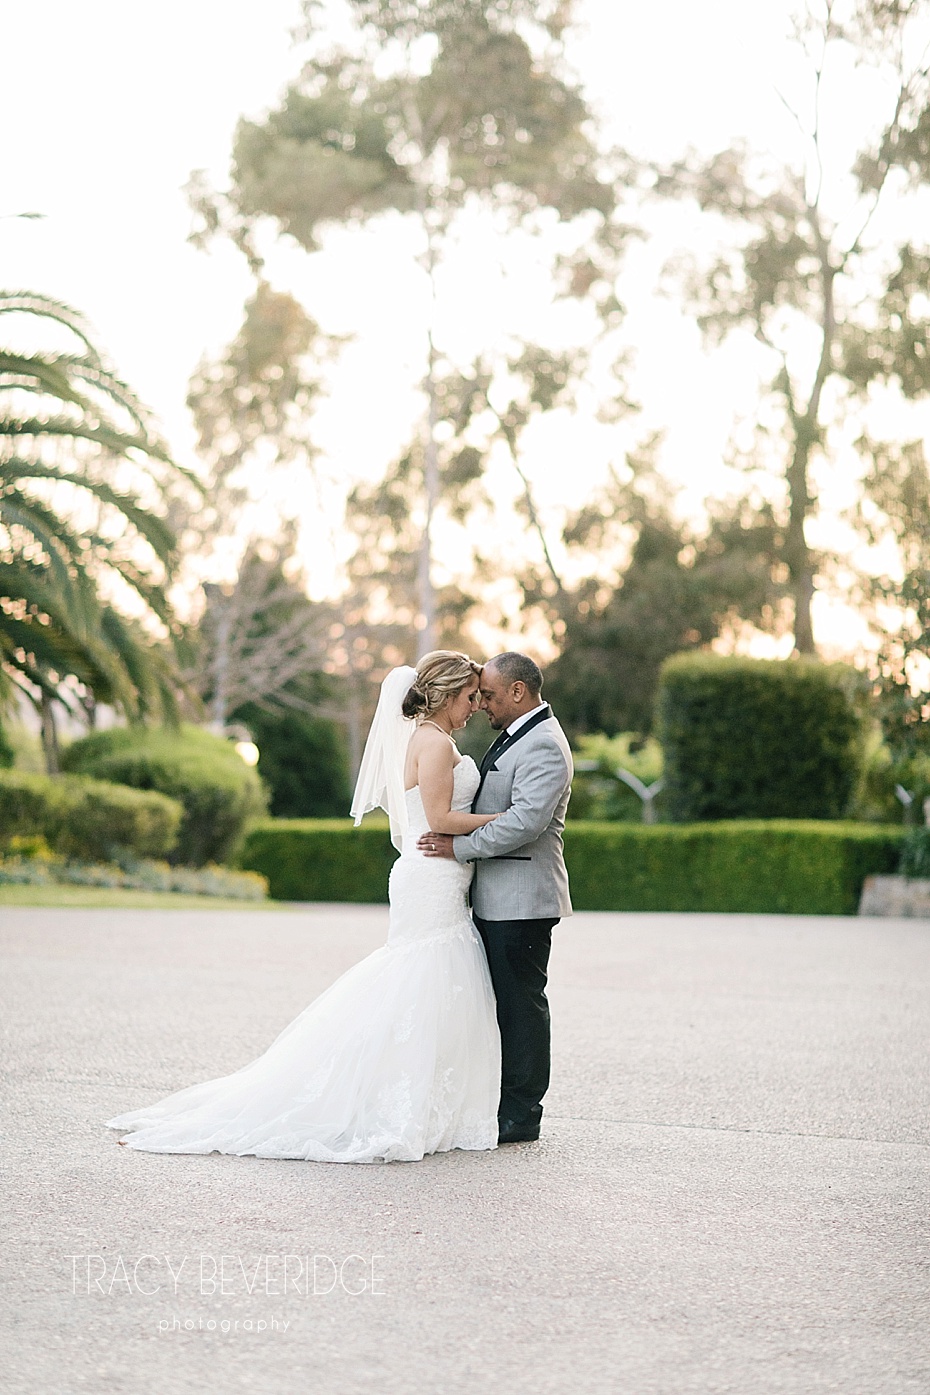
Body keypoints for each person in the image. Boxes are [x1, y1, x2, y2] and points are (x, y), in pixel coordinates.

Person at [106, 652, 502, 1164]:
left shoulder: (433, 739)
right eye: (471, 697)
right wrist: (505, 818)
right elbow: (439, 817)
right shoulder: (432, 742)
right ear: (449, 694)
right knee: (420, 975)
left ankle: (423, 1101)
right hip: (431, 875)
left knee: (432, 979)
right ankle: (387, 1101)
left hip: (440, 877)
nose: (475, 707)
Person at [418, 652, 573, 1144]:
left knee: (522, 1006)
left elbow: (526, 822)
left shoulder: (544, 744)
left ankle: (523, 1116)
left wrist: (458, 847)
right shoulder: (516, 736)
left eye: (487, 694)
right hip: (497, 895)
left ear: (518, 692)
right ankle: (499, 1103)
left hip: (523, 900)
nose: (482, 703)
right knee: (501, 1004)